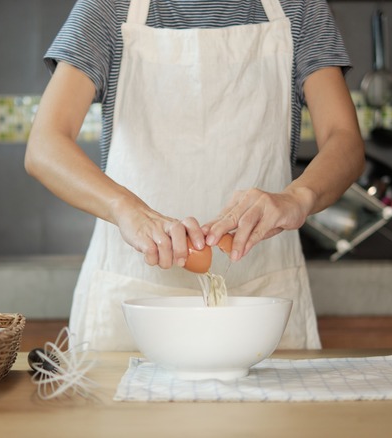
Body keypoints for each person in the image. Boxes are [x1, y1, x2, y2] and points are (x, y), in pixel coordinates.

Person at [25, 0, 365, 351]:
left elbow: (346, 141)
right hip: (133, 292)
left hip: (262, 295)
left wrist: (298, 197)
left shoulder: (300, 8)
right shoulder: (110, 7)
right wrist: (128, 210)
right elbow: (45, 146)